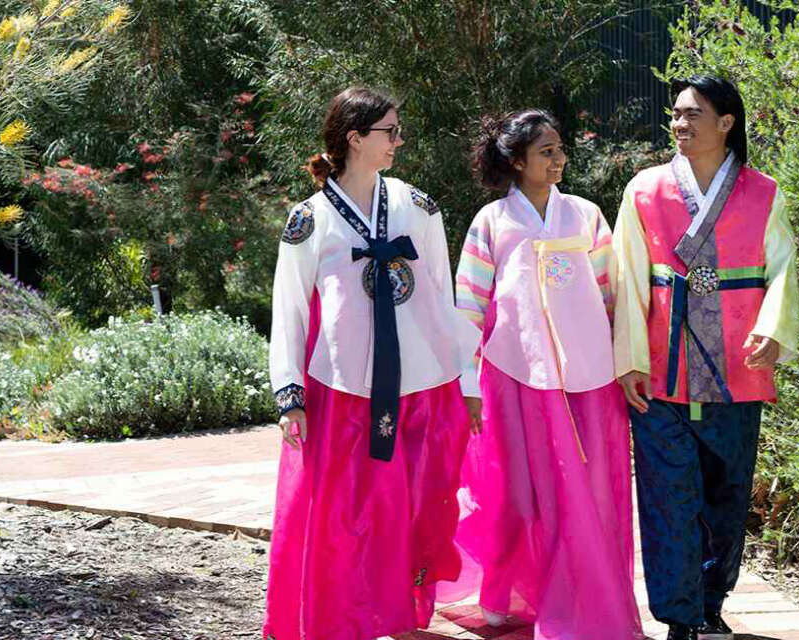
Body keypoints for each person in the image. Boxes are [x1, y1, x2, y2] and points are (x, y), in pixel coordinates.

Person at [262, 86, 481, 640]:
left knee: (413, 504)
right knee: (341, 515)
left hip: (420, 384)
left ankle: (401, 613)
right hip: (343, 389)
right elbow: (288, 310)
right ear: (355, 139)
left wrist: (467, 379)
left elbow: (441, 296)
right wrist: (290, 395)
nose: (399, 140)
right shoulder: (310, 220)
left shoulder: (417, 207)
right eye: (390, 131)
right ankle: (340, 618)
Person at [610, 74, 799, 640]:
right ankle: (680, 616)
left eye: (693, 114)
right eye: (675, 113)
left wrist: (773, 328)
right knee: (668, 498)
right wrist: (630, 358)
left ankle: (711, 601)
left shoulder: (763, 191)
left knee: (727, 493)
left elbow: (783, 268)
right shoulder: (644, 190)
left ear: (726, 123)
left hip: (737, 369)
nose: (679, 123)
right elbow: (627, 277)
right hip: (662, 374)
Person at [440, 109, 642, 640]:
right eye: (546, 151)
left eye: (560, 148)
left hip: (590, 379)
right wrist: (465, 383)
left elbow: (609, 296)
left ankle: (582, 598)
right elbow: (469, 306)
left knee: (587, 492)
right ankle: (505, 593)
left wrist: (623, 365)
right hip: (514, 376)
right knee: (515, 492)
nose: (559, 159)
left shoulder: (586, 215)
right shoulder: (491, 222)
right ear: (516, 160)